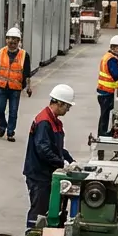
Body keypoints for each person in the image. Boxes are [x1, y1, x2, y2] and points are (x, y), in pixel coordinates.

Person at [23, 85, 77, 228]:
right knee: (39, 210)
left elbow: (56, 147)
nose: (68, 110)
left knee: (48, 209)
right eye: (67, 106)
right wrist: (61, 163)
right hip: (39, 175)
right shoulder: (44, 122)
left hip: (47, 173)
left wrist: (71, 161)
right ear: (59, 103)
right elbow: (43, 149)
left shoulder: (55, 121)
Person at [0, 27, 32, 142]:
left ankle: (10, 132)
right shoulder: (0, 53)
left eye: (15, 40)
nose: (12, 42)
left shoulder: (24, 55)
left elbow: (27, 73)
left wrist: (29, 87)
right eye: (10, 39)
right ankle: (3, 125)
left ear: (19, 41)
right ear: (6, 40)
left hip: (15, 88)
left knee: (13, 112)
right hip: (2, 87)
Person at [96, 35, 118, 137]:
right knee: (105, 114)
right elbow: (116, 75)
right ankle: (102, 134)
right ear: (113, 47)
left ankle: (103, 133)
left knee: (105, 113)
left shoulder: (108, 57)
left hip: (104, 91)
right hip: (106, 92)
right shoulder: (112, 59)